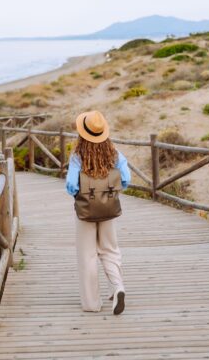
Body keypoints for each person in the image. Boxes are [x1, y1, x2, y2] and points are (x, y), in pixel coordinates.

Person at [65, 110, 130, 315]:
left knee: (88, 255)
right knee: (110, 250)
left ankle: (92, 303)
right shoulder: (114, 154)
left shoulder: (77, 156)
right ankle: (117, 287)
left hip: (85, 210)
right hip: (109, 208)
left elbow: (71, 186)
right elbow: (126, 180)